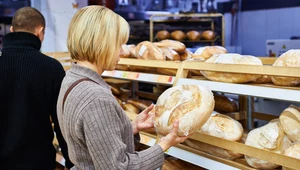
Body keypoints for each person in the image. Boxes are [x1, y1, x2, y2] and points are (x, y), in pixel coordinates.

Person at [57, 5, 189, 170]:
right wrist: (163, 145)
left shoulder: (71, 79)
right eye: (118, 44)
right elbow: (119, 167)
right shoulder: (97, 98)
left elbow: (91, 141)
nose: (121, 51)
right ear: (102, 44)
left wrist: (131, 127)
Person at [0, 7, 73, 170]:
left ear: (12, 30)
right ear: (40, 32)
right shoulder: (52, 68)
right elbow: (62, 124)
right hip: (38, 162)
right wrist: (71, 162)